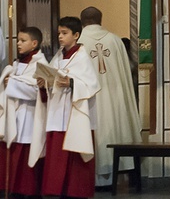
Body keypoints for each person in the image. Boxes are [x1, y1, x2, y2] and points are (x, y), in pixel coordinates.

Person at [33, 16, 101, 199]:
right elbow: (51, 82)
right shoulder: (58, 57)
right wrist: (44, 84)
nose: (60, 37)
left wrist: (71, 83)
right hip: (57, 113)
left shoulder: (83, 57)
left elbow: (92, 85)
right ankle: (57, 190)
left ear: (76, 35)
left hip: (76, 114)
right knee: (57, 155)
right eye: (59, 33)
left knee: (75, 157)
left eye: (65, 33)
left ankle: (76, 191)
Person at [79, 6, 142, 187]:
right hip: (116, 101)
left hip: (90, 102)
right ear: (101, 19)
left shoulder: (79, 43)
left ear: (82, 21)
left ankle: (93, 180)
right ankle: (117, 175)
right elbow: (126, 75)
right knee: (116, 130)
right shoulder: (115, 41)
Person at [0, 27, 46, 198]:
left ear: (34, 43)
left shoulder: (40, 64)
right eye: (18, 40)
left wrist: (11, 83)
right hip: (15, 116)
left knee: (26, 158)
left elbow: (36, 91)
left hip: (30, 117)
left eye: (23, 40)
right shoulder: (18, 63)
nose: (18, 43)